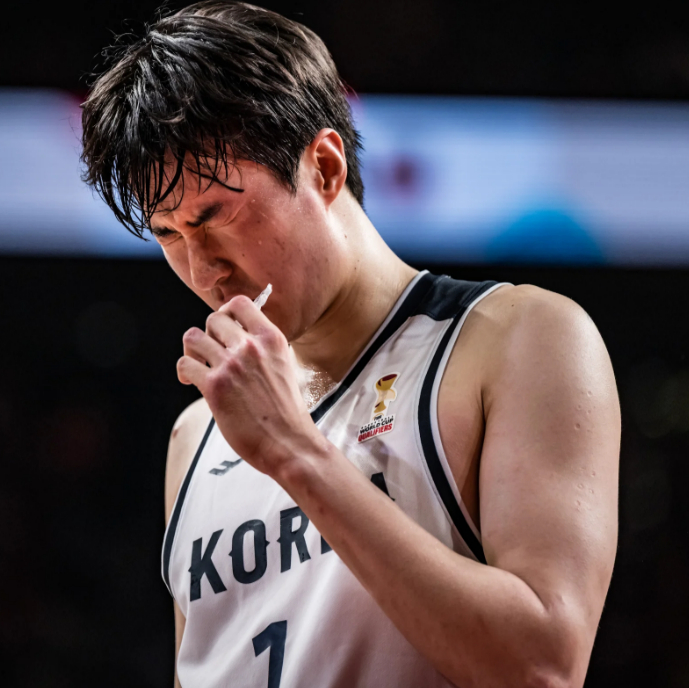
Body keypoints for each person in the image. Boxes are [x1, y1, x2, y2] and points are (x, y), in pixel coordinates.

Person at [80, 3, 620, 687]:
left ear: (326, 167)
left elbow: (543, 665)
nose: (202, 268)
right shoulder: (195, 434)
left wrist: (295, 451)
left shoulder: (517, 339)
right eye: (168, 233)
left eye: (216, 217)